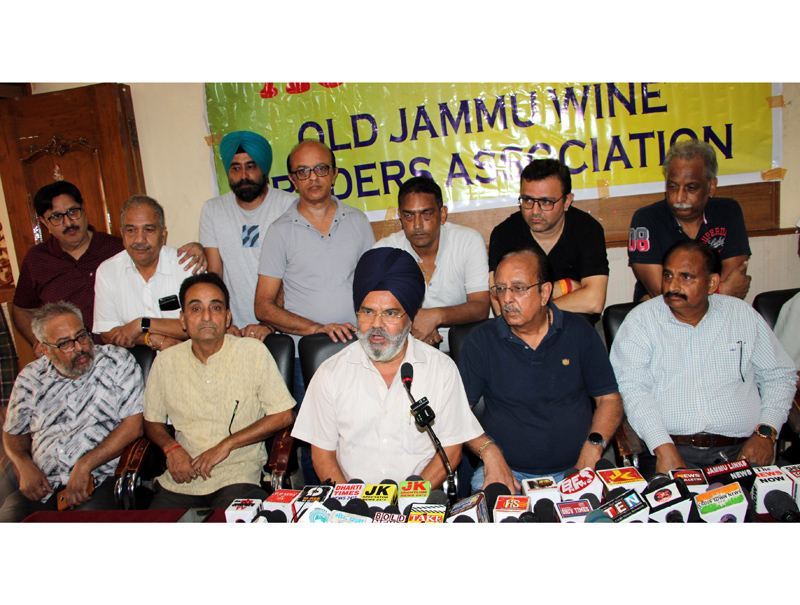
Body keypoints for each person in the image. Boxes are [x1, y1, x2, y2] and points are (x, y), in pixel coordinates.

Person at [291, 247, 489, 487]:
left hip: (418, 498)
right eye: (367, 312)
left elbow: (450, 450)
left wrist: (408, 499)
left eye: (390, 313)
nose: (377, 324)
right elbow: (322, 456)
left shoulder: (441, 370)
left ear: (410, 318)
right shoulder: (330, 373)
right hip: (352, 501)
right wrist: (350, 503)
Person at [610, 240, 797, 476]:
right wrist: (663, 447)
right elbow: (632, 389)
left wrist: (766, 433)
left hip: (742, 451)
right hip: (669, 450)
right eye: (668, 275)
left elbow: (779, 375)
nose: (673, 286)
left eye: (686, 277)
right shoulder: (642, 321)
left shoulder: (741, 315)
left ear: (712, 283)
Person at [458, 247, 623, 492]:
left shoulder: (579, 333)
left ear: (544, 292)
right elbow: (458, 413)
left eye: (519, 288)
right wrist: (489, 452)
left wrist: (593, 447)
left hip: (577, 467)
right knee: (489, 510)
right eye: (500, 288)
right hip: (506, 470)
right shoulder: (481, 341)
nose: (507, 299)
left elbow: (609, 399)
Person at [143, 273, 295, 510]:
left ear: (227, 317)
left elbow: (284, 415)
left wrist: (226, 445)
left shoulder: (252, 352)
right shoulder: (166, 361)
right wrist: (171, 448)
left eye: (215, 308)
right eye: (196, 309)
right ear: (183, 319)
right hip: (182, 478)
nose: (206, 317)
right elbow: (152, 421)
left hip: (238, 475)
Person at [12, 181, 205, 356]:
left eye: (72, 212)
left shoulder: (116, 248)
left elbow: (203, 322)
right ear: (44, 223)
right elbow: (22, 308)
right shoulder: (38, 259)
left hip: (124, 356)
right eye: (56, 217)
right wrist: (40, 342)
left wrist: (199, 248)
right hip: (76, 357)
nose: (68, 222)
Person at [0, 301, 144, 522]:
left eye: (81, 336)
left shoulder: (117, 362)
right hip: (43, 485)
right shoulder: (30, 378)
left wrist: (85, 464)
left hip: (100, 479)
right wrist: (24, 464)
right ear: (45, 349)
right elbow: (13, 432)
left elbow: (133, 427)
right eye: (65, 344)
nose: (79, 347)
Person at [255, 138, 375, 399]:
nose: (313, 177)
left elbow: (375, 288)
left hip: (360, 351)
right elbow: (262, 306)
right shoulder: (279, 231)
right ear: (292, 179)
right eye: (303, 171)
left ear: (334, 173)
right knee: (312, 426)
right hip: (304, 357)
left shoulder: (358, 221)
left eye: (320, 169)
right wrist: (316, 328)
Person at [373, 176, 489, 353]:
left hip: (467, 349)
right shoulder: (384, 251)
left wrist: (436, 316)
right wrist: (414, 320)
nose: (417, 225)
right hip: (405, 349)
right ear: (400, 216)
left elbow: (481, 306)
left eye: (426, 214)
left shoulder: (468, 241)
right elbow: (375, 311)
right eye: (408, 215)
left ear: (442, 214)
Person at [199, 131, 297, 340]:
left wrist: (269, 324)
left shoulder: (288, 205)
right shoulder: (213, 210)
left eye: (251, 167)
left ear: (264, 168)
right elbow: (215, 274)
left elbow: (294, 273)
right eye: (235, 168)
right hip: (234, 332)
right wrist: (222, 324)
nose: (243, 175)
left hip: (283, 329)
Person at [628, 139, 751, 302]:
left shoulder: (728, 211)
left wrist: (719, 295)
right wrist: (722, 291)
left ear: (711, 186)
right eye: (672, 187)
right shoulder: (646, 219)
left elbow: (736, 279)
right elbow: (663, 295)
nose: (679, 197)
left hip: (720, 315)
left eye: (691, 188)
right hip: (662, 316)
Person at [488, 158, 609, 323]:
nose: (535, 211)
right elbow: (501, 304)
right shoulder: (505, 233)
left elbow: (593, 301)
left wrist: (534, 307)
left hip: (577, 325)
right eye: (527, 200)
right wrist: (564, 288)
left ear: (566, 201)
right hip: (522, 331)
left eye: (546, 202)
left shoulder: (588, 229)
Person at [93, 195, 198, 352]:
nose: (139, 239)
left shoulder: (186, 265)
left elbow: (200, 324)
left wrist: (142, 323)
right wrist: (151, 338)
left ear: (163, 233)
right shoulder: (107, 271)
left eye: (148, 230)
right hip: (135, 362)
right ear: (122, 233)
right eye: (131, 230)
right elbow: (108, 333)